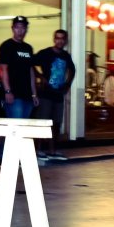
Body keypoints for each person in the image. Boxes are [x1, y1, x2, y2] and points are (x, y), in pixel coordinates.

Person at [33, 29, 76, 161]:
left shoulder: (66, 55)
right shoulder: (45, 53)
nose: (60, 41)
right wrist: (40, 77)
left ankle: (52, 151)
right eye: (57, 38)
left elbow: (72, 70)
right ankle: (38, 150)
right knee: (43, 122)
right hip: (45, 94)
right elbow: (30, 63)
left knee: (56, 124)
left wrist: (67, 84)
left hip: (58, 95)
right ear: (54, 39)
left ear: (65, 41)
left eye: (62, 38)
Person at [0, 15, 37, 119]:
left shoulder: (28, 48)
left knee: (24, 125)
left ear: (26, 29)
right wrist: (8, 91)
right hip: (14, 95)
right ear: (12, 28)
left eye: (23, 27)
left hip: (27, 95)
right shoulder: (6, 46)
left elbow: (31, 72)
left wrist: (34, 94)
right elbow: (3, 70)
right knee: (16, 124)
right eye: (17, 27)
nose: (20, 31)